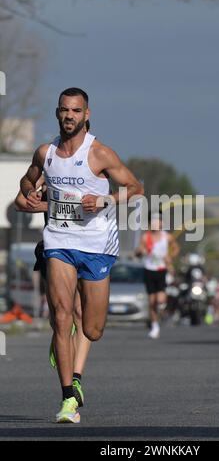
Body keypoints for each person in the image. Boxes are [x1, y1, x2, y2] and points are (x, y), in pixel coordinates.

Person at [20, 87, 144, 423]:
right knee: (62, 315)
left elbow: (135, 189)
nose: (69, 116)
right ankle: (68, 397)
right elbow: (26, 183)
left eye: (76, 111)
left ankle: (70, 347)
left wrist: (104, 201)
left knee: (91, 328)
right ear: (57, 113)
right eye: (64, 110)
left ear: (86, 114)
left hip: (96, 244)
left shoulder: (100, 154)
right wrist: (30, 194)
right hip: (58, 240)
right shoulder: (45, 153)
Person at [15, 175, 92, 409]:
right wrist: (37, 192)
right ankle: (61, 340)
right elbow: (20, 202)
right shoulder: (51, 171)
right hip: (57, 250)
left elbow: (106, 203)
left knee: (81, 314)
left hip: (88, 248)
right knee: (61, 317)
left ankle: (75, 379)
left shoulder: (91, 173)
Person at [136, 212, 180, 339]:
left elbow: (176, 248)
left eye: (158, 220)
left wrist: (170, 257)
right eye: (153, 220)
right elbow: (138, 252)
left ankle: (162, 312)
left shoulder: (167, 237)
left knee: (160, 300)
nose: (155, 223)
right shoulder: (146, 237)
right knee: (152, 301)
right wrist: (140, 251)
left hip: (161, 270)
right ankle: (155, 326)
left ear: (162, 222)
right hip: (149, 269)